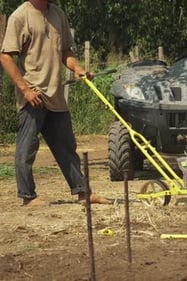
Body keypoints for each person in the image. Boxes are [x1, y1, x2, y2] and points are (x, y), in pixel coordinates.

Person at [0, 0, 111, 206]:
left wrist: (77, 69)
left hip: (55, 94)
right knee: (27, 146)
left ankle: (83, 192)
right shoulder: (20, 16)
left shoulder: (58, 14)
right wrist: (25, 90)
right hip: (33, 94)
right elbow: (6, 56)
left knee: (66, 145)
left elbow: (66, 52)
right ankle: (27, 196)